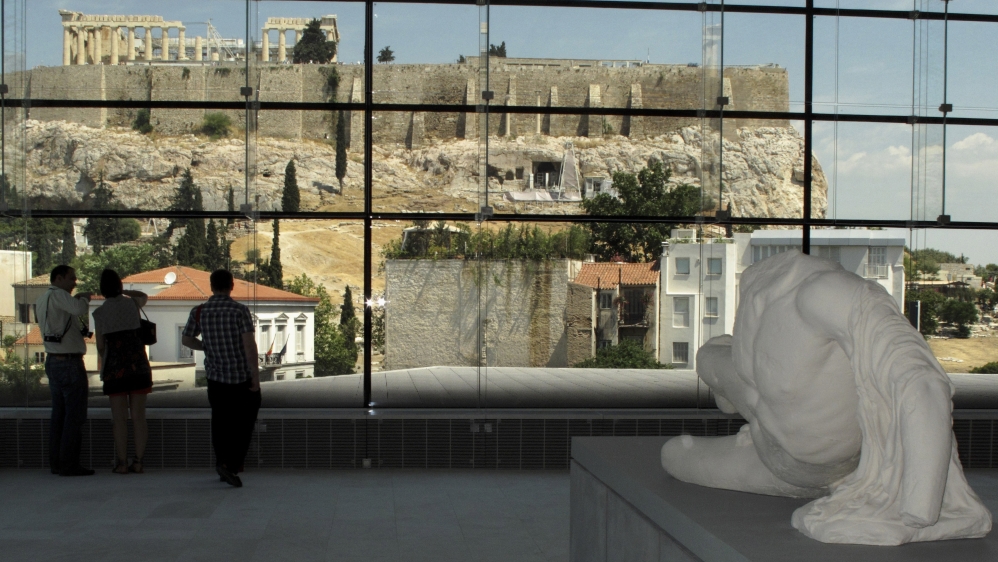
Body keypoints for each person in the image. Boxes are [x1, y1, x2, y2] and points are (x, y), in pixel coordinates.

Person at [182, 269, 260, 487]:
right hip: (240, 378)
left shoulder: (200, 312)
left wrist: (205, 347)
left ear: (211, 286)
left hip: (216, 378)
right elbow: (248, 344)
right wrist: (255, 374)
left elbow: (187, 339)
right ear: (231, 285)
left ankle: (222, 463)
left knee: (220, 422)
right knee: (243, 423)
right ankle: (232, 465)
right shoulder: (239, 311)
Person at [92, 269, 151, 474]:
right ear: (119, 285)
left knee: (119, 419)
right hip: (138, 366)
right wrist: (126, 291)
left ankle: (122, 462)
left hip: (114, 368)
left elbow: (100, 346)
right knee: (138, 417)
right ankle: (139, 461)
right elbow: (144, 296)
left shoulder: (99, 313)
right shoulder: (132, 303)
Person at [37, 265, 93, 476]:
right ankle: (69, 464)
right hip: (69, 362)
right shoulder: (59, 296)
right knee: (74, 416)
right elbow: (79, 309)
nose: (74, 282)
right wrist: (84, 298)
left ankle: (57, 462)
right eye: (71, 278)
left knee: (58, 415)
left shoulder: (42, 299)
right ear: (58, 279)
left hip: (52, 361)